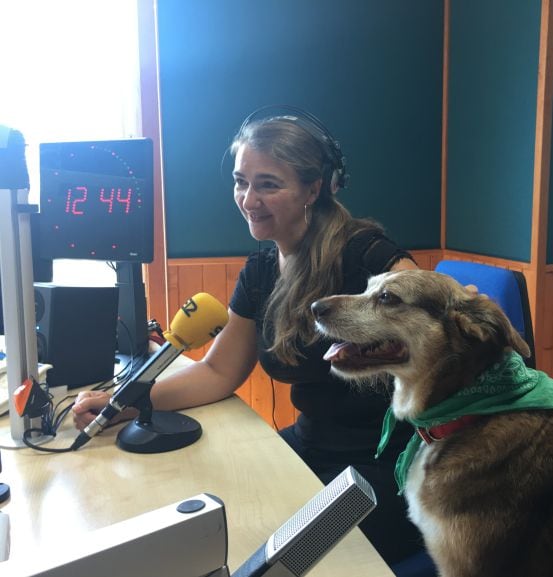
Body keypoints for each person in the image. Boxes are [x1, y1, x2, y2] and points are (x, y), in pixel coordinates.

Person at [72, 110, 425, 566]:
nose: (248, 199)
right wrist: (129, 402)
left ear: (314, 189)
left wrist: (458, 305)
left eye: (268, 184)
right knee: (221, 515)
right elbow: (218, 371)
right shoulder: (261, 271)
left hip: (384, 469)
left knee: (275, 556)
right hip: (311, 445)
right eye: (241, 181)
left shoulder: (366, 255)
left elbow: (432, 309)